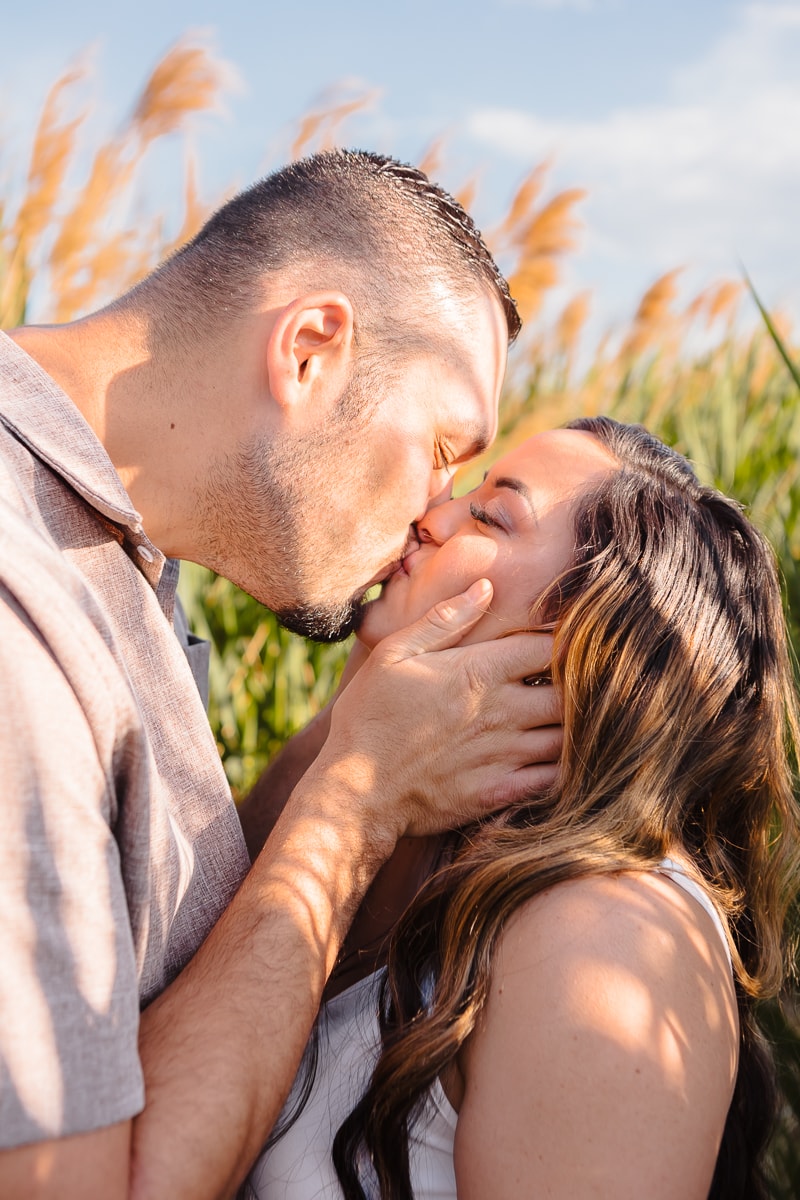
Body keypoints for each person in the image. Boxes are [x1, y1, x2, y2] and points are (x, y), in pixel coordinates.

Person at [0, 150, 563, 1199]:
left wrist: (367, 728)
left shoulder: (112, 551)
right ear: (310, 348)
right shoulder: (18, 616)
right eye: (443, 447)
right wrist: (356, 804)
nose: (432, 515)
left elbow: (169, 942)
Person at [245, 418, 800, 1200]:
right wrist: (361, 730)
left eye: (491, 515)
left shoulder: (605, 933)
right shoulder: (418, 838)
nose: (431, 515)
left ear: (585, 640)